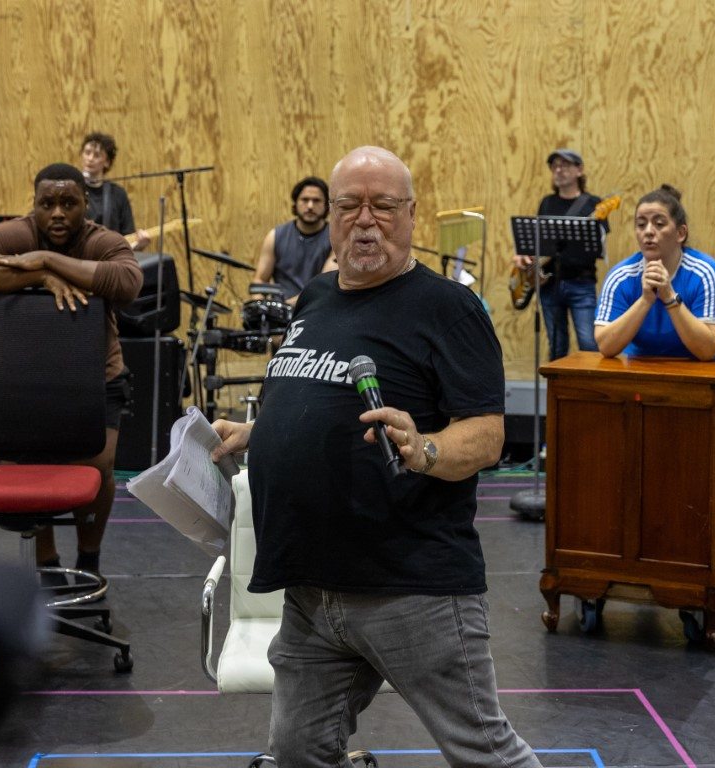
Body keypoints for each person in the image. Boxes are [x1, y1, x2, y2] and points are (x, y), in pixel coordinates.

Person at [211, 147, 543, 767]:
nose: (366, 220)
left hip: (411, 589)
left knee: (486, 753)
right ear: (331, 218)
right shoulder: (314, 296)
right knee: (299, 750)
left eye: (383, 206)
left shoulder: (448, 307)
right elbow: (311, 392)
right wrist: (259, 432)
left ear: (411, 214)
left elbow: (489, 435)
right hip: (310, 589)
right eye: (350, 206)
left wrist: (426, 448)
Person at [0, 163, 143, 578]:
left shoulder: (101, 240)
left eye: (68, 203)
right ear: (34, 204)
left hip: (98, 377)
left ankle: (88, 560)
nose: (57, 213)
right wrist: (38, 274)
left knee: (97, 469)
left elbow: (127, 283)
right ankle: (47, 563)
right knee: (31, 468)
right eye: (47, 203)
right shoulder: (14, 233)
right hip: (24, 379)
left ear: (85, 204)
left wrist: (45, 258)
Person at [595, 184, 715, 360]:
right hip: (646, 365)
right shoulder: (621, 276)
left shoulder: (706, 273)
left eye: (659, 223)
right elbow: (606, 347)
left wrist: (670, 297)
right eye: (641, 224)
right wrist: (645, 300)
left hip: (709, 368)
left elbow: (707, 350)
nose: (648, 231)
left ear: (680, 233)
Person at [512, 148, 610, 360]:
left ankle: (590, 392)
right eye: (554, 166)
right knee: (557, 346)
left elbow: (599, 245)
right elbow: (538, 242)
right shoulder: (547, 203)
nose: (559, 170)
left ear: (579, 170)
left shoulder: (595, 204)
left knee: (588, 343)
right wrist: (524, 256)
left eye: (564, 165)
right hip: (549, 285)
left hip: (581, 284)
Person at [252, 175, 336, 306]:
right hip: (279, 315)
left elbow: (323, 285)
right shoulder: (274, 236)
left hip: (317, 309)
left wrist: (289, 306)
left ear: (327, 206)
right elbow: (260, 279)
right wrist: (261, 305)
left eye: (316, 201)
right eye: (305, 200)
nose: (310, 206)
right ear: (296, 203)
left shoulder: (336, 237)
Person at [80, 131, 151, 251]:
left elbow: (128, 236)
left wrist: (139, 245)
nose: (90, 159)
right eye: (87, 153)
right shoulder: (73, 190)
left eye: (97, 155)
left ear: (107, 162)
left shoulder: (117, 194)